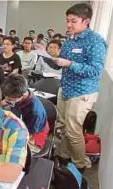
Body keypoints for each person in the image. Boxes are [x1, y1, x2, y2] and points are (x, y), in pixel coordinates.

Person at [52, 3, 107, 172]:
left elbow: (95, 70)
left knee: (73, 130)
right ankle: (63, 156)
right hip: (66, 88)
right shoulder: (70, 40)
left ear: (86, 21)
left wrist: (70, 63)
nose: (69, 25)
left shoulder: (96, 42)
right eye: (67, 21)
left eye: (73, 21)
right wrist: (51, 57)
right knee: (62, 126)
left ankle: (80, 163)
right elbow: (62, 63)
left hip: (82, 91)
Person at [1, 73, 49, 153]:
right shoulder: (19, 92)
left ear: (22, 95)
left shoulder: (35, 112)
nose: (6, 100)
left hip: (33, 134)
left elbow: (28, 134)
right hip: (21, 123)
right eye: (6, 97)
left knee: (8, 151)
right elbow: (4, 103)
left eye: (10, 98)